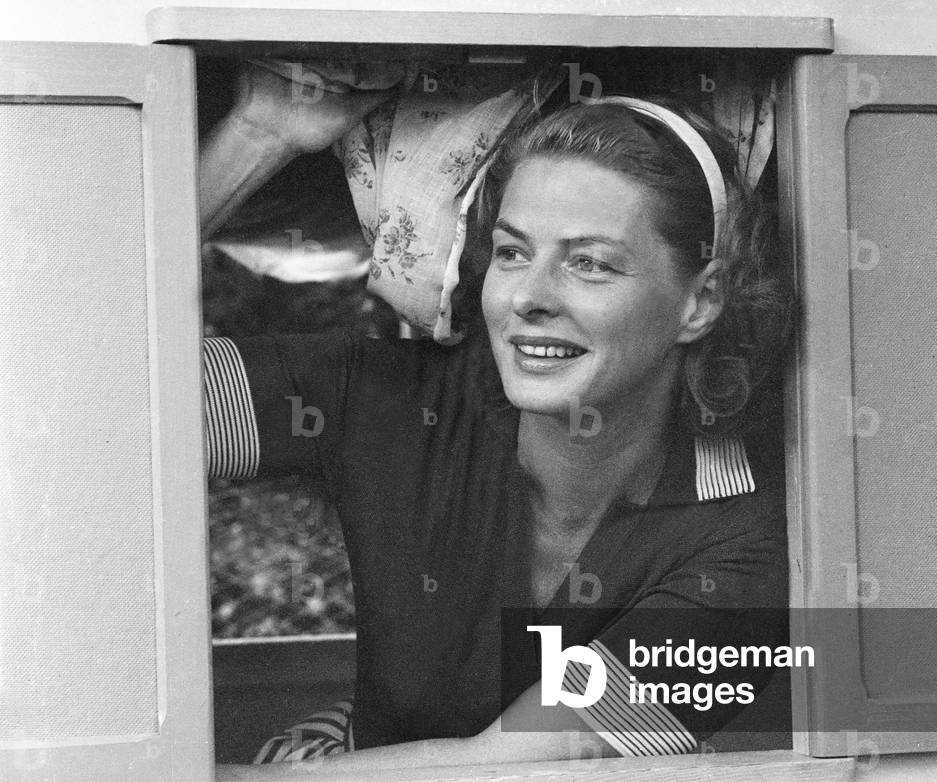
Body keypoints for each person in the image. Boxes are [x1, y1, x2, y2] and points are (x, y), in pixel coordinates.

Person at [203, 62, 793, 779]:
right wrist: (256, 137)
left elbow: (504, 771)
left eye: (591, 264)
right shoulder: (388, 396)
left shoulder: (753, 539)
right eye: (513, 252)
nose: (527, 298)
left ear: (699, 303)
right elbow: (91, 399)